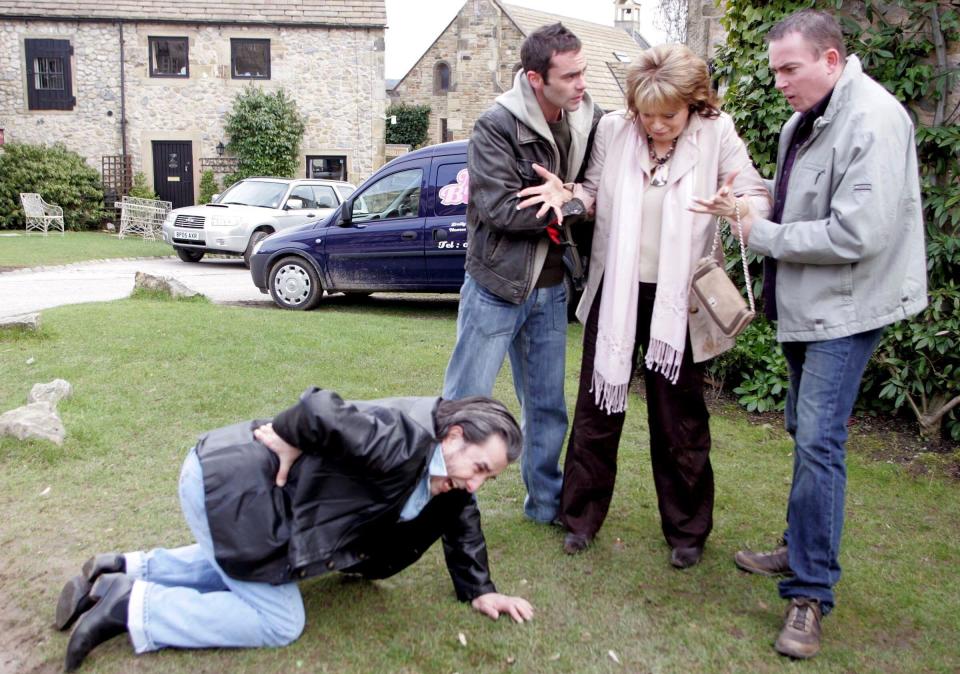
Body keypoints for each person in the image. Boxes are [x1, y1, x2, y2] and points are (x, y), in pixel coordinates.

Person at [692, 9, 928, 659]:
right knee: (805, 429)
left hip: (846, 312)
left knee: (819, 440)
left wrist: (759, 233)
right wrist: (747, 198)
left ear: (830, 60)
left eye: (788, 68)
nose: (779, 83)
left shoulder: (874, 121)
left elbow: (857, 233)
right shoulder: (804, 121)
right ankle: (801, 546)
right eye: (773, 70)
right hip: (806, 305)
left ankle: (810, 595)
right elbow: (800, 203)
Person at [55, 389, 532, 671]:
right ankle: (131, 606)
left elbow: (461, 519)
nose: (476, 483)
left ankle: (123, 569)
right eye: (479, 467)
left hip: (248, 497)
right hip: (231, 491)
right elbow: (320, 408)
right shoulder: (404, 440)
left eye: (488, 476)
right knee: (280, 621)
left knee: (249, 561)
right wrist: (287, 433)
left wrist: (480, 590)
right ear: (454, 436)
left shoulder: (444, 473)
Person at [521, 44, 770, 566]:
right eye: (646, 115)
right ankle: (580, 519)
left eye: (668, 116)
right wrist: (570, 198)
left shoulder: (717, 134)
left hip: (679, 299)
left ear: (695, 103)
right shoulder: (615, 129)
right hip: (618, 290)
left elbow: (756, 195)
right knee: (597, 410)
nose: (655, 126)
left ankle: (686, 532)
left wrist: (739, 206)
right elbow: (591, 192)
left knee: (679, 421)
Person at [442, 22, 603, 524]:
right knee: (463, 404)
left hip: (552, 290)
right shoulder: (497, 125)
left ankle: (546, 505)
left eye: (583, 72)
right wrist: (574, 202)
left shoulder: (586, 116)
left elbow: (593, 186)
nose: (582, 83)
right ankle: (438, 498)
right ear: (536, 77)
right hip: (496, 287)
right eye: (571, 75)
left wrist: (568, 194)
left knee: (547, 408)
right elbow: (502, 211)